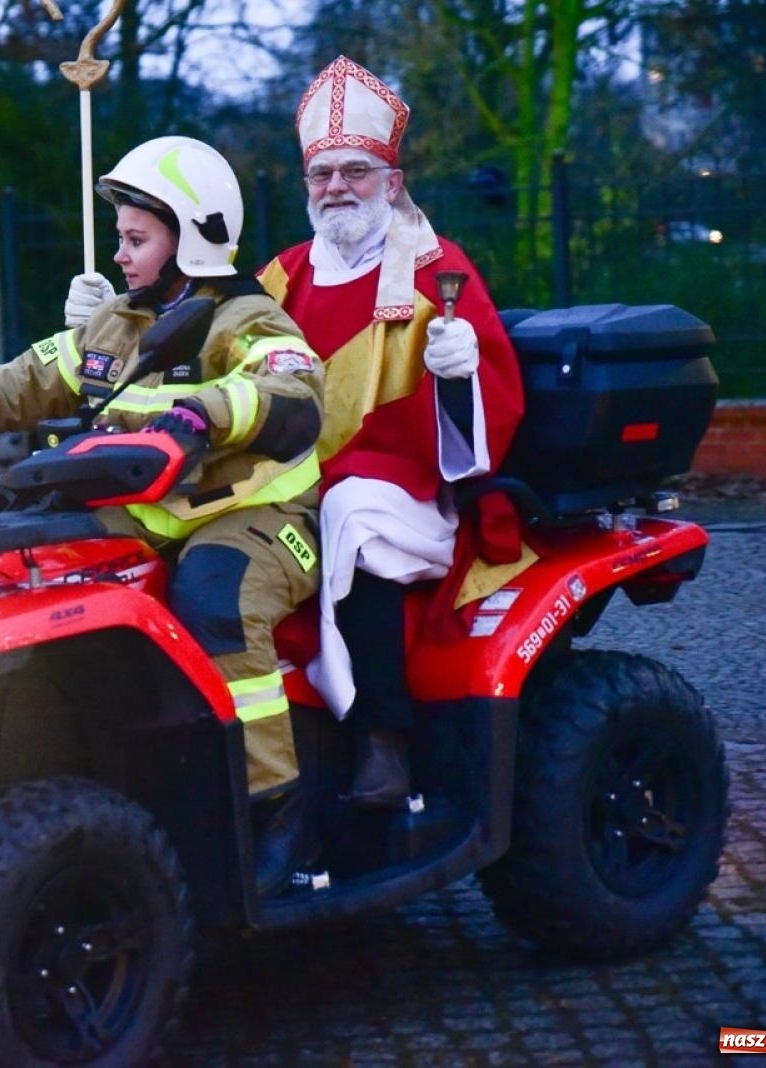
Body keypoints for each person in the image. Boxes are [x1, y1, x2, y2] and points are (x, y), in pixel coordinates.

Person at [64, 59, 527, 807]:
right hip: (282, 475)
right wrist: (106, 319)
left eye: (356, 171)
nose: (336, 187)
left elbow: (482, 427)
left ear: (394, 181)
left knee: (350, 511)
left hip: (402, 487)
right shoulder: (280, 277)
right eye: (321, 175)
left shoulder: (439, 273)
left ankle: (382, 737)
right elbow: (191, 342)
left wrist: (459, 372)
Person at [0, 136, 327, 893]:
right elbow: (29, 380)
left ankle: (272, 804)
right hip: (151, 514)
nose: (121, 253)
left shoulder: (246, 317)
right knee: (38, 571)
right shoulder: (117, 321)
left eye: (137, 238)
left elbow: (296, 393)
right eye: (121, 237)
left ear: (193, 237)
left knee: (218, 596)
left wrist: (207, 412)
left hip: (262, 515)